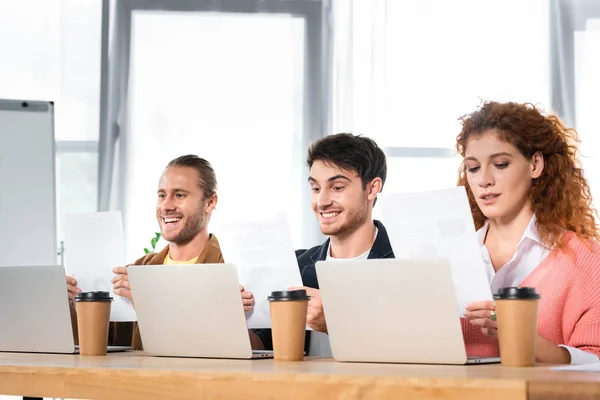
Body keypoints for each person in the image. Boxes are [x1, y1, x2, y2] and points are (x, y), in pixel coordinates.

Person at [66, 155, 259, 349]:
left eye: (179, 195)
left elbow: (266, 353)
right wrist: (72, 306)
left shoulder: (236, 273)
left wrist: (226, 318)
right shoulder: (135, 272)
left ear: (209, 202)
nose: (166, 206)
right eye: (161, 195)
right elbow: (99, 348)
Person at [458, 101, 600, 364]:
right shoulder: (452, 257)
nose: (484, 180)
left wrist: (525, 339)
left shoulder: (586, 259)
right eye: (473, 168)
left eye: (500, 164)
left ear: (535, 164)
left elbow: (596, 361)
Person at [254, 133, 394, 351]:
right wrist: (232, 319)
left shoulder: (404, 265)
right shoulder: (295, 266)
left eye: (337, 187)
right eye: (316, 188)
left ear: (372, 188)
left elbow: (412, 350)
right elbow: (261, 345)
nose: (322, 202)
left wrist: (334, 323)